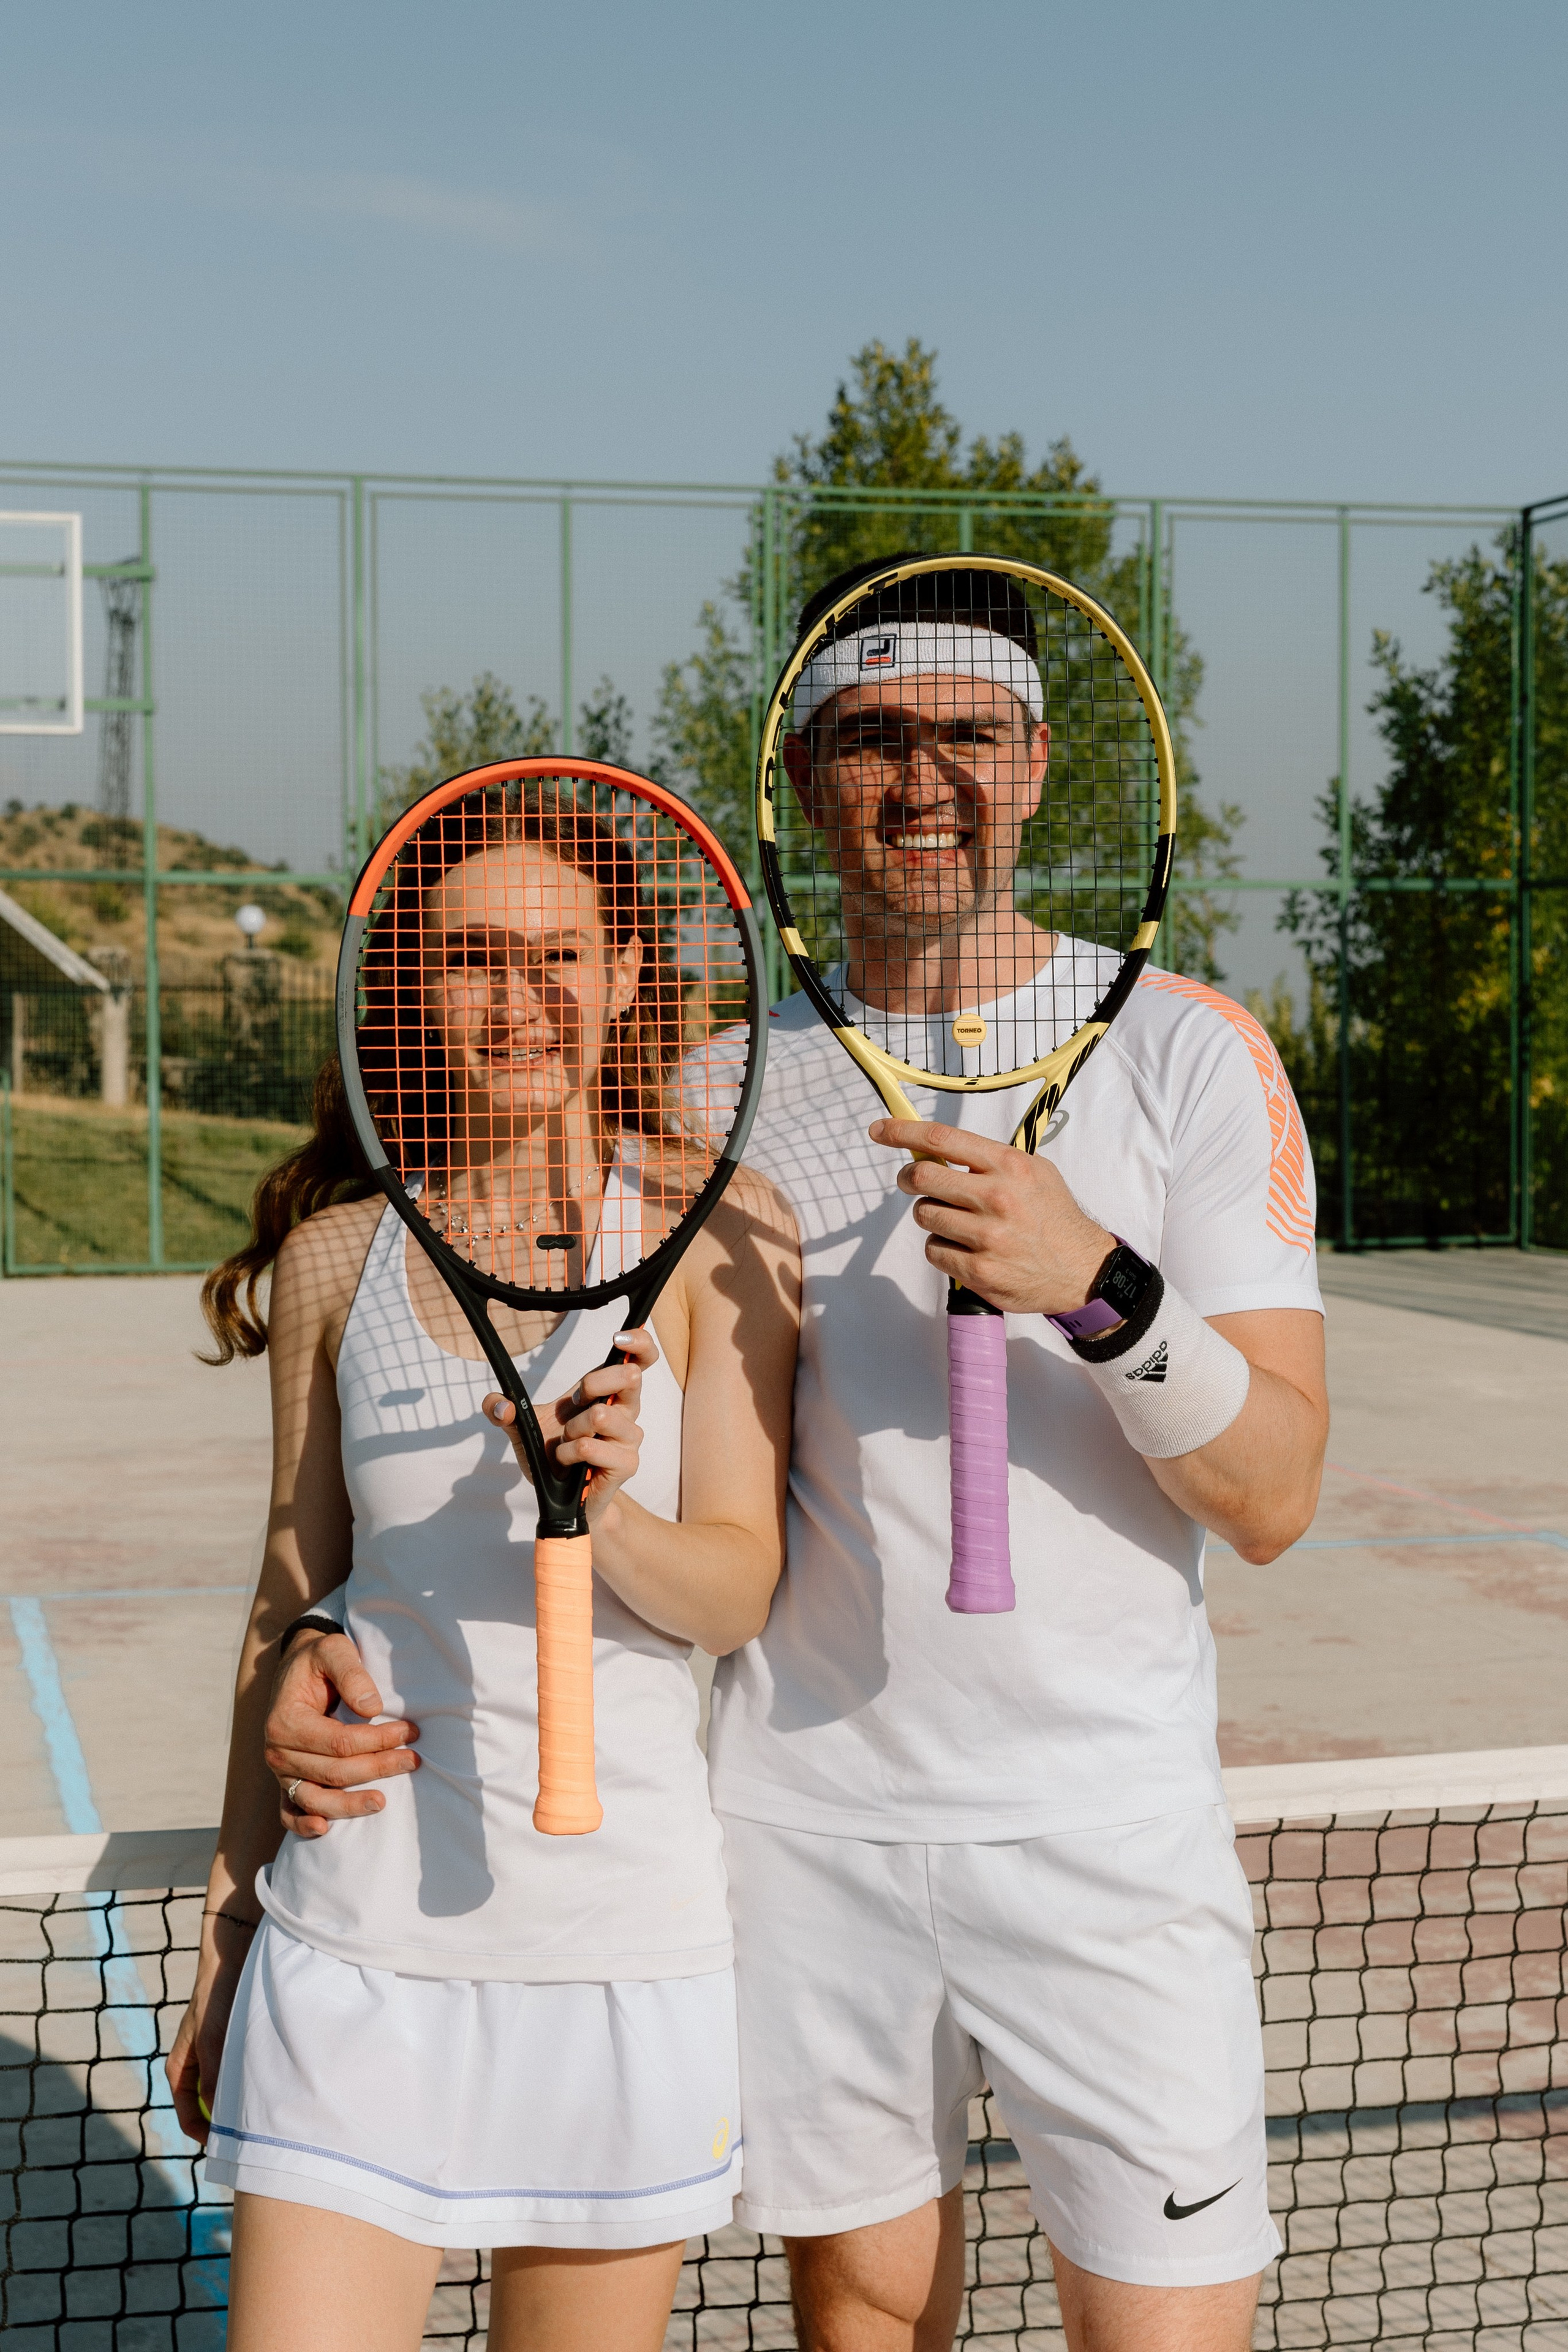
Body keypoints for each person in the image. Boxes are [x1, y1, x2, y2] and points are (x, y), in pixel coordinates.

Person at [262, 562, 1329, 2352]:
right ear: (808, 773)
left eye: (971, 735)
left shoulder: (1194, 1054)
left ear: (1045, 762)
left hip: (1109, 1839)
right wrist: (318, 1642)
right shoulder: (719, 1096)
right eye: (874, 737)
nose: (927, 782)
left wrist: (1102, 1290)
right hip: (803, 1844)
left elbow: (1280, 1495)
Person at [167, 798, 799, 2352]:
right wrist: (229, 1927)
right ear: (410, 990)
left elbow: (736, 1590)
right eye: (470, 960)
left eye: (559, 955)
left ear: (631, 973)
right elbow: (287, 1588)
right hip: (355, 1944)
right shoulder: (338, 1261)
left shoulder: (726, 1234)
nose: (520, 1000)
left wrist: (611, 1515)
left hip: (618, 1955)